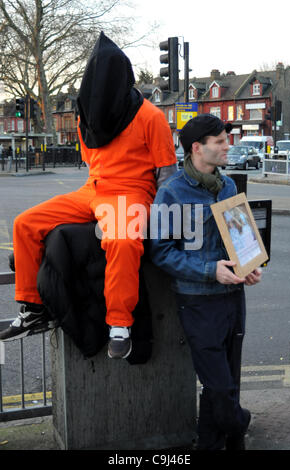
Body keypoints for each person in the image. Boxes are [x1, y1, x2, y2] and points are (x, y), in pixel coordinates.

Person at [0, 32, 177, 360]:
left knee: (122, 241)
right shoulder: (86, 118)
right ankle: (33, 306)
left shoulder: (150, 116)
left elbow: (166, 175)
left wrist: (162, 219)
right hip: (94, 188)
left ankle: (120, 324)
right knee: (25, 223)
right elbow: (92, 162)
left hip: (131, 192)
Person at [150, 114, 262, 450]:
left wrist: (252, 265)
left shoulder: (227, 185)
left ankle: (213, 444)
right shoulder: (171, 193)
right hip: (198, 300)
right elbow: (161, 252)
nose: (228, 146)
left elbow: (240, 236)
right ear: (197, 148)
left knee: (226, 380)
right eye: (220, 141)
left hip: (233, 296)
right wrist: (209, 270)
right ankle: (238, 424)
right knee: (220, 385)